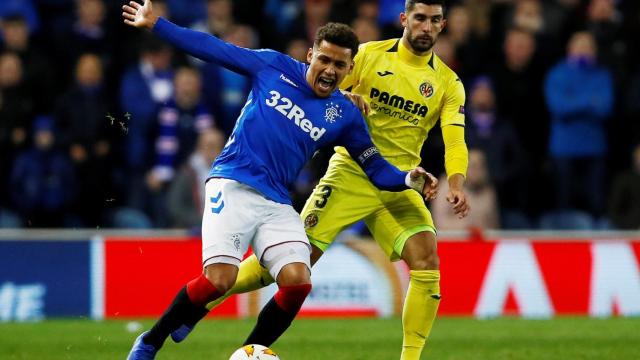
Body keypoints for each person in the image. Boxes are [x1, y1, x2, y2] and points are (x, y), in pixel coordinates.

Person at [122, 1, 438, 359]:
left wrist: (408, 178)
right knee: (219, 280)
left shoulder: (346, 115)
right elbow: (213, 49)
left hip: (275, 201)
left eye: (339, 65)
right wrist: (157, 24)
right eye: (324, 60)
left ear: (351, 68)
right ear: (310, 55)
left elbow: (375, 168)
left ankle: (248, 353)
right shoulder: (273, 66)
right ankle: (151, 340)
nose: (330, 70)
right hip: (233, 183)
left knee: (298, 282)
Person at [196, 1, 470, 359]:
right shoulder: (368, 56)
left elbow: (455, 138)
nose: (426, 27)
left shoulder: (448, 83)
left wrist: (457, 183)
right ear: (405, 19)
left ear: (442, 25)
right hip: (351, 174)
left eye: (434, 21)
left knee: (427, 260)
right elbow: (318, 88)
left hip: (401, 180)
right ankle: (204, 298)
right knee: (292, 264)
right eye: (419, 18)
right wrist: (344, 95)